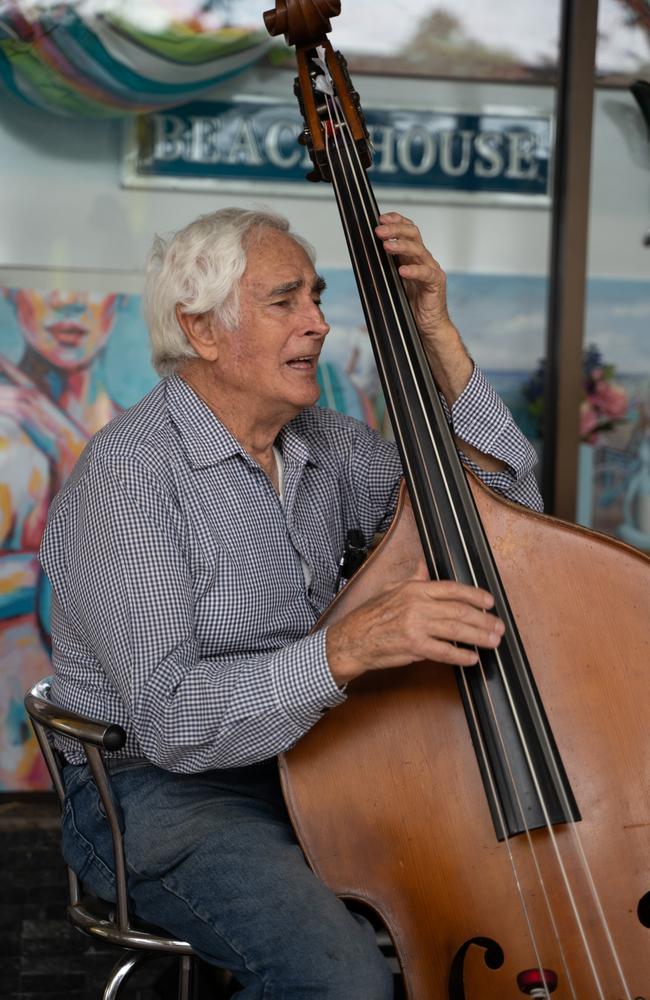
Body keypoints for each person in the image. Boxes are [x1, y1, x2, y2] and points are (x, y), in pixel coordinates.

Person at [40, 207, 542, 999]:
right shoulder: (128, 479)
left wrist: (438, 337)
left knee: (505, 892)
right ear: (201, 331)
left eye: (317, 296)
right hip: (163, 790)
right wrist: (348, 649)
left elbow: (508, 522)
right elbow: (170, 723)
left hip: (315, 757)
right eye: (285, 301)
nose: (319, 322)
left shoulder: (329, 445)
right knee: (340, 982)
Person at [0, 289, 122, 789]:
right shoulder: (11, 431)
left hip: (116, 748)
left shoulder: (135, 432)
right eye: (45, 284)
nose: (71, 302)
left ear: (114, 303)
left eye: (89, 291)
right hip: (25, 734)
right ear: (14, 296)